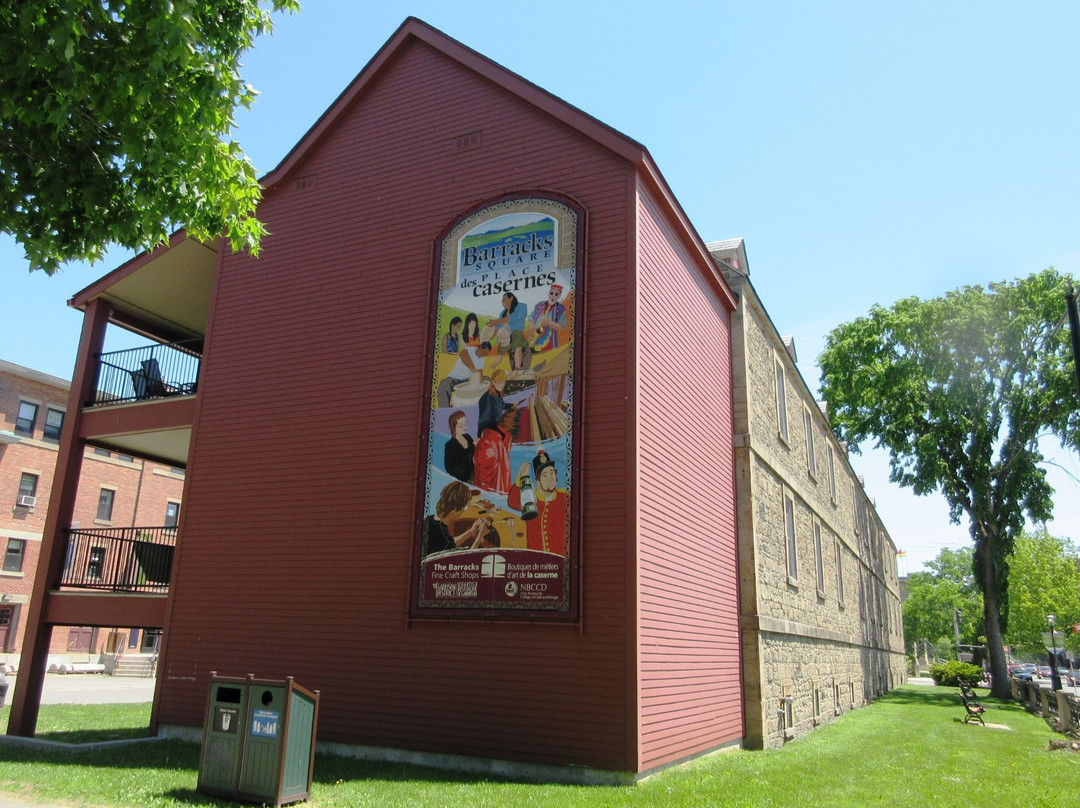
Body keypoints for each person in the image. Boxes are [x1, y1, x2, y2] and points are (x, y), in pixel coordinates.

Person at [507, 450, 568, 555]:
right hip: (535, 560)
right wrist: (520, 479)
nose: (550, 478)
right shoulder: (531, 499)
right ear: (538, 482)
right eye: (545, 475)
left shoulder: (565, 497)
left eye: (552, 473)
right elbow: (512, 502)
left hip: (559, 558)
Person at [423, 480, 490, 556]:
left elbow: (448, 543)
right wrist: (480, 536)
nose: (465, 509)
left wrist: (470, 532)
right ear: (455, 508)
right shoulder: (443, 537)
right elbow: (462, 563)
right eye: (465, 506)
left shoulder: (430, 520)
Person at [473, 371, 513, 493]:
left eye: (504, 382)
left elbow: (501, 405)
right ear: (493, 382)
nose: (502, 385)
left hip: (495, 429)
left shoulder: (497, 395)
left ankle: (499, 486)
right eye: (499, 382)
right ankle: (493, 486)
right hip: (489, 431)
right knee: (496, 458)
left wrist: (511, 406)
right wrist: (479, 435)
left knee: (506, 442)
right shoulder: (486, 398)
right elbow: (483, 419)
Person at [436, 341, 494, 408]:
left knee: (488, 380)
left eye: (486, 354)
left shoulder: (482, 359)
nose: (484, 355)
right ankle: (444, 410)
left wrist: (480, 379)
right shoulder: (470, 350)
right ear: (480, 347)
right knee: (444, 385)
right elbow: (464, 355)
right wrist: (473, 369)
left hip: (469, 380)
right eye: (484, 352)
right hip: (455, 378)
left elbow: (479, 372)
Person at [528, 284, 568, 352]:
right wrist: (532, 328)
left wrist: (549, 323)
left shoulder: (561, 309)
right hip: (535, 337)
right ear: (548, 293)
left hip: (549, 341)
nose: (553, 296)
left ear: (559, 296)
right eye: (551, 293)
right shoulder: (540, 305)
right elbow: (530, 317)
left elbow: (560, 327)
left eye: (556, 294)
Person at [443, 410, 474, 482]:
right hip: (459, 480)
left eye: (465, 423)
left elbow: (473, 455)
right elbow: (449, 468)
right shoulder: (450, 445)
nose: (464, 427)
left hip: (472, 477)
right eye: (460, 426)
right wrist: (472, 447)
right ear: (453, 427)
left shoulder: (467, 437)